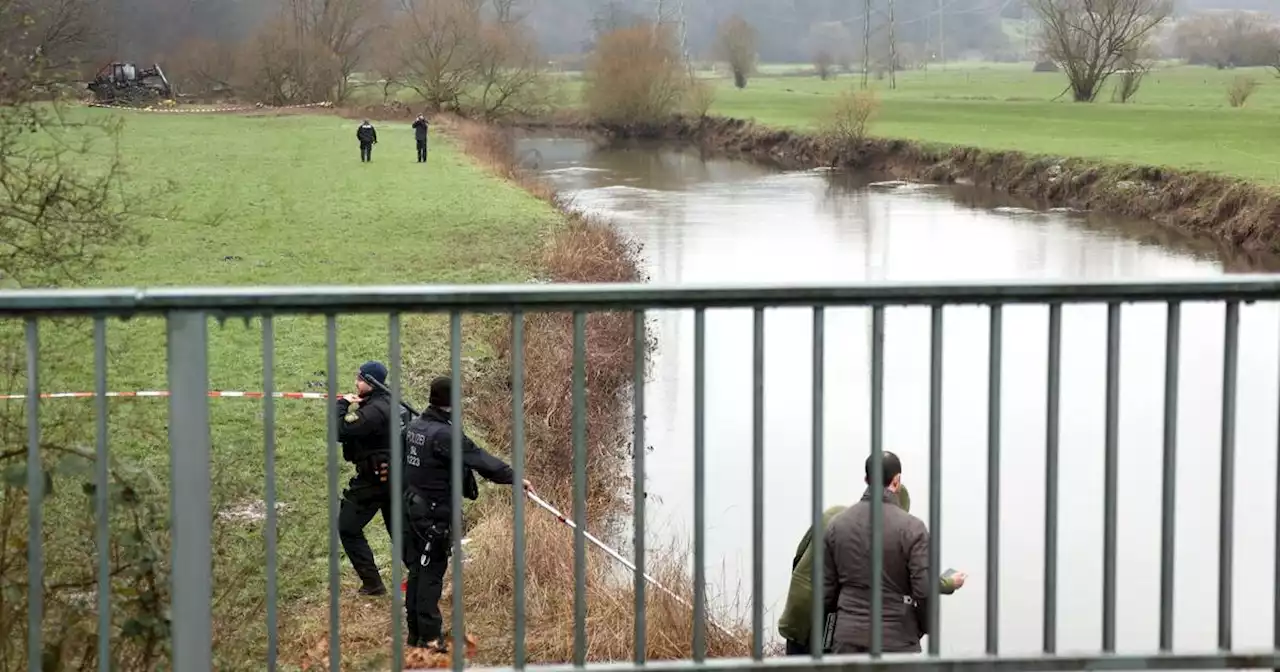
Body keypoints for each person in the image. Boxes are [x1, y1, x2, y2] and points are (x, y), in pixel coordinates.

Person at [401, 375, 532, 650]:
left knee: (418, 569)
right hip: (435, 513)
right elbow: (479, 458)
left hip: (413, 505)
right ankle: (429, 637)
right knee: (431, 573)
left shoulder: (414, 426)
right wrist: (513, 477)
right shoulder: (445, 434)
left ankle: (415, 632)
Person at [822, 452, 967, 654]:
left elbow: (826, 592)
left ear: (866, 480)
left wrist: (834, 634)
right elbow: (923, 590)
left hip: (847, 641)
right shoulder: (912, 528)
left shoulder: (836, 525)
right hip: (896, 642)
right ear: (897, 480)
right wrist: (921, 628)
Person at [336, 361, 395, 596]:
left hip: (373, 482)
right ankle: (423, 578)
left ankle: (373, 584)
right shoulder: (387, 402)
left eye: (359, 379)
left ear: (371, 382)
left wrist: (341, 405)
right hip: (392, 479)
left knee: (348, 528)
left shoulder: (372, 411)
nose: (355, 382)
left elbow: (339, 430)